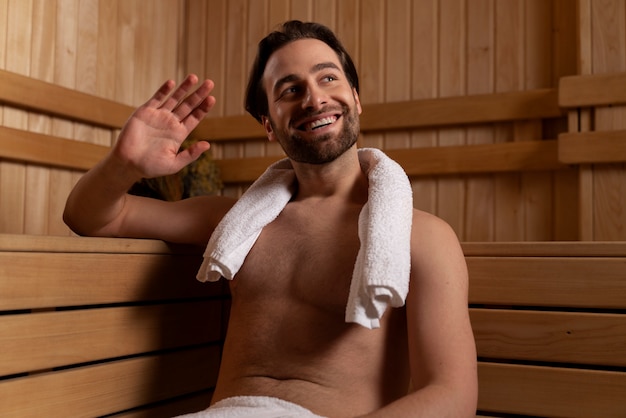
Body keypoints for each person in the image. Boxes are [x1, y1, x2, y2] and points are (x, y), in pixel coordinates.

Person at [64, 20, 477, 418]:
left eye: (328, 78)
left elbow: (451, 396)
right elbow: (93, 218)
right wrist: (124, 164)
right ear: (268, 123)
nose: (314, 99)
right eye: (290, 89)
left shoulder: (420, 237)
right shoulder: (234, 225)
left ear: (356, 97)